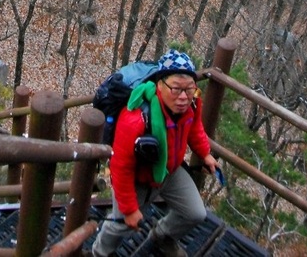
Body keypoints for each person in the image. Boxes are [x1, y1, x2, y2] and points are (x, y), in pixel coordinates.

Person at [91, 49, 219, 257]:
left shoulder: (192, 104)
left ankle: (162, 236)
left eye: (189, 89)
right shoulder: (136, 118)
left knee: (195, 213)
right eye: (176, 89)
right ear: (160, 84)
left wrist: (205, 154)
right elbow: (120, 167)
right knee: (120, 224)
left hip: (169, 171)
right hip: (137, 179)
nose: (184, 97)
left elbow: (195, 129)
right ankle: (100, 253)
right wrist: (131, 209)